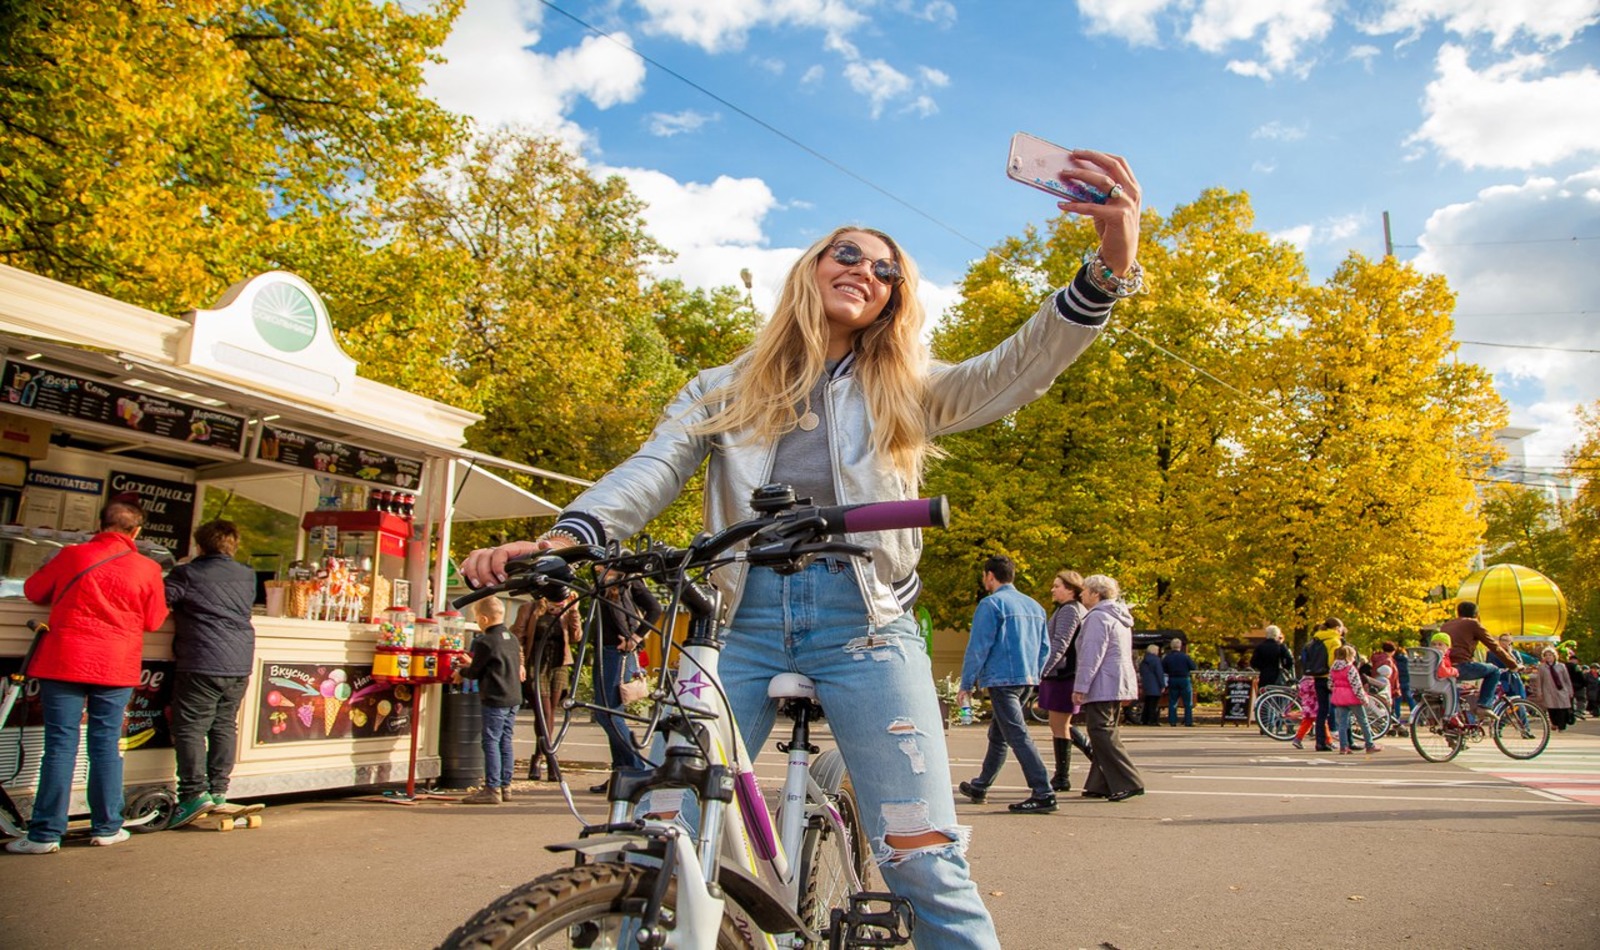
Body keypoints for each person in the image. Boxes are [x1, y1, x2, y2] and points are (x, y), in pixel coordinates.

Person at [461, 155, 1144, 948]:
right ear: (812, 267)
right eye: (847, 253)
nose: (866, 271)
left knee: (923, 856)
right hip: (736, 626)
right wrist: (569, 535)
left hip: (866, 626)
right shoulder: (721, 387)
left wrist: (1107, 267)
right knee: (662, 833)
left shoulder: (906, 387)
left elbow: (1014, 369)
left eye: (886, 270)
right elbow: (654, 468)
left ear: (893, 300)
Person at [8, 500, 167, 853]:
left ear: (100, 524)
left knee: (60, 745)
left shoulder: (71, 555)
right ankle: (107, 827)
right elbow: (155, 620)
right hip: (116, 665)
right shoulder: (148, 568)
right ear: (136, 531)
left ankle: (45, 835)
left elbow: (34, 591)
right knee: (106, 745)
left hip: (64, 660)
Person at [163, 519, 257, 829]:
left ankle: (193, 794)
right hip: (239, 661)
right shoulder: (247, 574)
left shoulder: (187, 574)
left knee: (190, 727)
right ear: (233, 545)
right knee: (224, 724)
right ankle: (218, 791)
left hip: (202, 659)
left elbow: (160, 601)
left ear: (199, 545)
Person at [956, 555, 1055, 814]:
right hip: (1026, 678)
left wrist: (967, 683)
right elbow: (1045, 648)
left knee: (1017, 735)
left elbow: (978, 647)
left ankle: (1043, 791)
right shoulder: (1035, 606)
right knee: (999, 734)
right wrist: (1034, 673)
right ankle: (981, 785)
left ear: (990, 575)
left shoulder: (991, 604)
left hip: (1002, 680)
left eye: (984, 576)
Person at [1072, 574, 1143, 801]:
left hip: (1103, 682)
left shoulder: (1098, 617)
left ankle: (1129, 781)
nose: (1081, 595)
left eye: (1085, 591)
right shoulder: (1118, 616)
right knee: (1105, 729)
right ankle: (1100, 783)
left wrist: (1080, 687)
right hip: (1117, 680)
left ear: (1096, 593)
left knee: (1101, 730)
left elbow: (1091, 655)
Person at [590, 565, 659, 791]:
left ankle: (636, 769)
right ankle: (622, 772)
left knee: (608, 713)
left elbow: (655, 609)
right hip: (604, 650)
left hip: (617, 651)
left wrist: (635, 638)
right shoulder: (602, 581)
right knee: (608, 712)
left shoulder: (628, 579)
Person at [455, 596, 523, 803]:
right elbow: (496, 664)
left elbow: (476, 672)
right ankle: (506, 785)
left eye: (476, 618)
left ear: (484, 619)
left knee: (491, 741)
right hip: (513, 696)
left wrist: (461, 672)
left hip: (495, 697)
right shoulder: (511, 638)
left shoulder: (484, 641)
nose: (477, 622)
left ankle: (492, 788)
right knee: (505, 741)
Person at [513, 592, 581, 781]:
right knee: (544, 712)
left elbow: (576, 637)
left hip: (559, 664)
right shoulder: (530, 608)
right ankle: (550, 758)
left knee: (550, 712)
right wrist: (520, 663)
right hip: (536, 664)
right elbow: (518, 637)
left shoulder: (566, 610)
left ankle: (539, 756)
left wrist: (574, 612)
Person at [1037, 570, 1092, 791]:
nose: (1053, 589)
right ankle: (1094, 759)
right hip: (1063, 673)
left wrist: (1042, 670)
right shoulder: (1071, 608)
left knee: (1059, 725)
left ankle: (1062, 777)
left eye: (1057, 586)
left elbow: (1060, 643)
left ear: (1070, 589)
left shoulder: (1070, 610)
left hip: (1062, 674)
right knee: (1060, 724)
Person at [1440, 602, 1521, 716]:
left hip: (1445, 667)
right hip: (1462, 666)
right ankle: (1484, 705)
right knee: (1494, 671)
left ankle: (1457, 717)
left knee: (1462, 693)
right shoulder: (1473, 623)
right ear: (1476, 614)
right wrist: (1513, 665)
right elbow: (1493, 646)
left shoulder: (1446, 625)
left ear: (1458, 613)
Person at [1299, 618, 1344, 752]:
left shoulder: (1315, 640)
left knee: (1322, 711)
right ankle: (1341, 740)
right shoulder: (1334, 641)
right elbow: (1332, 662)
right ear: (1337, 628)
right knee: (1338, 708)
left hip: (1316, 676)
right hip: (1329, 677)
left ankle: (1320, 742)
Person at [1329, 645, 1381, 754]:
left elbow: (1330, 684)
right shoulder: (1350, 668)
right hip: (1352, 697)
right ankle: (1369, 745)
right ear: (1348, 656)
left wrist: (1337, 690)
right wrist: (1363, 699)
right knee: (1363, 721)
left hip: (1339, 697)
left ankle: (1343, 747)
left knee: (1342, 723)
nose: (1354, 658)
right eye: (1353, 656)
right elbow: (1356, 685)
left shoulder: (1333, 668)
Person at [1531, 647, 1575, 731]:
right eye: (1546, 655)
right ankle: (1554, 723)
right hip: (1548, 691)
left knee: (1562, 709)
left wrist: (1570, 690)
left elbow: (1567, 679)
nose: (1548, 657)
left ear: (1554, 656)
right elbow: (1539, 680)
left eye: (1550, 655)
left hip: (1561, 690)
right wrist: (1539, 692)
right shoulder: (1542, 668)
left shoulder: (1561, 666)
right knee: (1552, 709)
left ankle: (1561, 726)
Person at [1161, 637, 1197, 726]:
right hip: (1184, 679)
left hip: (1172, 679)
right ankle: (1188, 721)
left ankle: (1172, 721)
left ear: (1171, 646)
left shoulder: (1167, 657)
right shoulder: (1185, 656)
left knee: (1173, 701)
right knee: (1187, 702)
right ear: (1180, 646)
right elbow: (1193, 667)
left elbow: (1163, 669)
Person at [1250, 625, 1294, 689]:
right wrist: (1285, 667)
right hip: (1277, 677)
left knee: (1264, 692)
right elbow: (1290, 660)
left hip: (1264, 676)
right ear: (1277, 635)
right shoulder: (1280, 647)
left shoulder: (1260, 647)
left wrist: (1262, 667)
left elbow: (1253, 662)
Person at [1138, 643, 1166, 725]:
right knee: (1154, 704)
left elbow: (1141, 672)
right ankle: (1152, 720)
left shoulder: (1144, 660)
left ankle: (1144, 719)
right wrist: (1162, 685)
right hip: (1155, 684)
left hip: (1146, 684)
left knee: (1147, 702)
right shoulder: (1156, 660)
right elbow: (1159, 673)